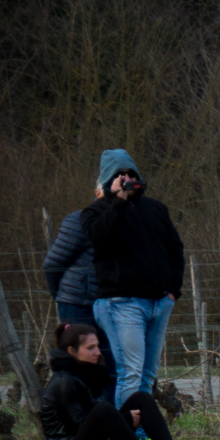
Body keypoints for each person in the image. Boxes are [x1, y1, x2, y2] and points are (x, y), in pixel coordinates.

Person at [39, 321, 206, 440]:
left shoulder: (86, 373)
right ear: (71, 351)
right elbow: (79, 427)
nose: (98, 352)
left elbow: (94, 421)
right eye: (90, 348)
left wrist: (116, 426)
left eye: (97, 346)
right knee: (103, 409)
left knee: (141, 398)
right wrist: (124, 419)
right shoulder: (63, 383)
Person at [82, 148, 184, 408]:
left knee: (147, 375)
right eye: (119, 175)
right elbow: (98, 237)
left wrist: (173, 291)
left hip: (158, 303)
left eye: (130, 173)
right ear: (108, 179)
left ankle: (141, 434)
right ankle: (129, 437)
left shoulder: (156, 209)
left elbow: (175, 248)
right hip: (121, 303)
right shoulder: (95, 212)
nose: (126, 178)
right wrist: (118, 201)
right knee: (131, 373)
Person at [42, 183, 113, 370]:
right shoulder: (79, 220)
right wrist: (60, 294)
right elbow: (53, 263)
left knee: (108, 363)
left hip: (111, 303)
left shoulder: (127, 223)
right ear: (97, 193)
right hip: (78, 304)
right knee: (79, 363)